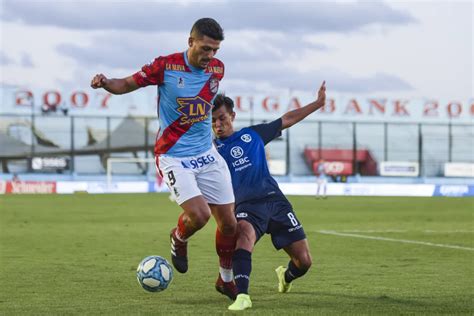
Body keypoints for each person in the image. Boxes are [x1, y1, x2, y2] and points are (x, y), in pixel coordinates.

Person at [91, 18, 237, 299]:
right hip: (173, 156)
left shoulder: (218, 69)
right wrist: (106, 83)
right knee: (200, 215)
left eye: (215, 51)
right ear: (190, 42)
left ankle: (225, 279)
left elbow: (207, 101)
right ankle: (178, 238)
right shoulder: (165, 66)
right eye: (206, 49)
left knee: (229, 223)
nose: (210, 56)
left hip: (207, 154)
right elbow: (127, 83)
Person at [212, 81, 326, 311]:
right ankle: (242, 295)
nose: (218, 124)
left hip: (276, 202)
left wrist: (317, 103)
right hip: (246, 206)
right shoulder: (211, 151)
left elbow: (288, 119)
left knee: (303, 262)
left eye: (222, 118)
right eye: (213, 120)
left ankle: (286, 277)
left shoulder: (252, 135)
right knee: (244, 234)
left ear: (232, 116)